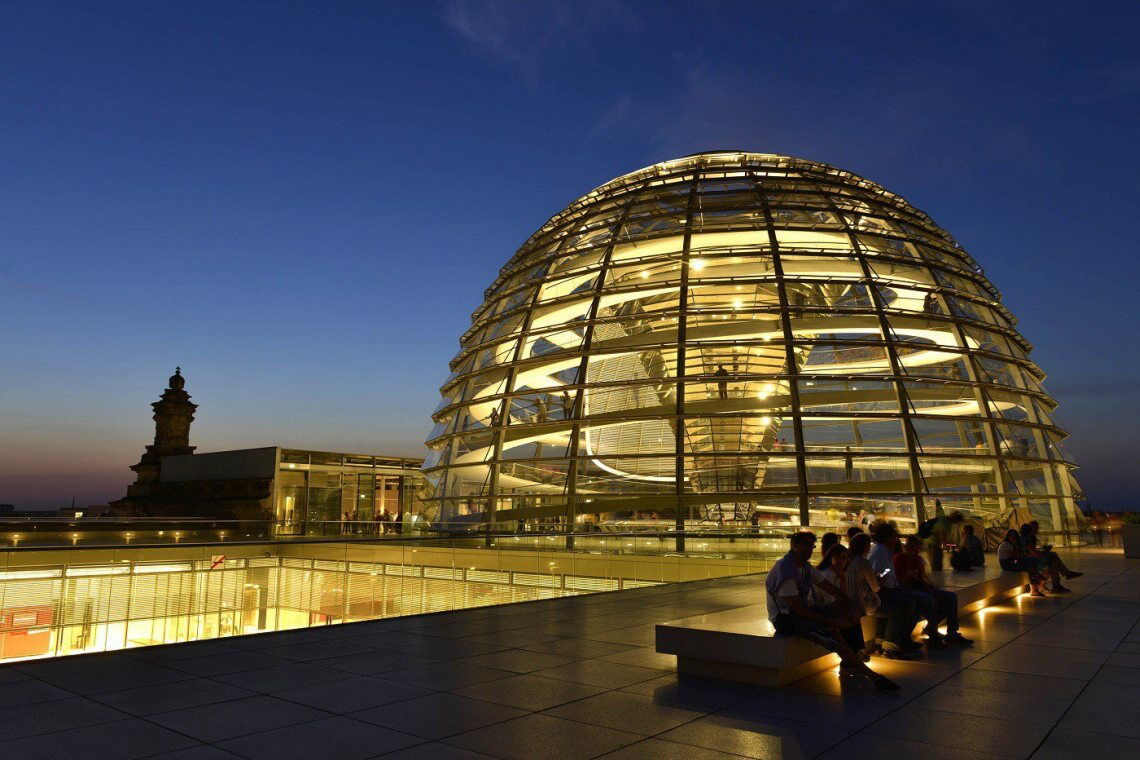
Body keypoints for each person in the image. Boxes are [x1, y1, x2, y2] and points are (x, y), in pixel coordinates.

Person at [765, 532, 899, 691]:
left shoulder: (805, 568)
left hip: (804, 611)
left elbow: (834, 591)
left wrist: (850, 607)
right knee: (833, 633)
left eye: (812, 545)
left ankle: (854, 659)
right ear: (795, 546)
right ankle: (871, 675)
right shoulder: (786, 570)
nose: (810, 549)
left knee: (846, 615)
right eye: (806, 545)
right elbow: (796, 609)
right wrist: (828, 621)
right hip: (786, 619)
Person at [895, 535, 973, 647]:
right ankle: (933, 633)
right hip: (907, 590)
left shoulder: (917, 559)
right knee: (929, 600)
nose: (918, 550)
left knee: (951, 597)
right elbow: (901, 581)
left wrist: (930, 587)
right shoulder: (899, 560)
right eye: (916, 547)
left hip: (919, 588)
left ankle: (952, 632)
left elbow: (922, 578)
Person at [866, 520, 922, 658]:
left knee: (909, 603)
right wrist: (886, 574)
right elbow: (878, 574)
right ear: (888, 538)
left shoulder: (882, 550)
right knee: (909, 604)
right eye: (894, 536)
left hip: (887, 591)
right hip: (882, 594)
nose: (896, 539)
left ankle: (893, 640)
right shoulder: (880, 551)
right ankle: (893, 642)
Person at [998, 529, 1048, 596]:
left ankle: (1037, 581)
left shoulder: (1009, 543)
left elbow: (1017, 556)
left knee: (1032, 562)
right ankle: (1035, 587)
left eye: (1015, 536)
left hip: (1012, 561)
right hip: (1007, 563)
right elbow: (1015, 556)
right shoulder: (1006, 545)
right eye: (1012, 536)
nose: (1014, 538)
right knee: (1030, 567)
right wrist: (1016, 545)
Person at [918, 504, 964, 571]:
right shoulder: (944, 521)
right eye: (957, 521)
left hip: (934, 543)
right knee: (936, 562)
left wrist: (950, 545)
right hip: (932, 543)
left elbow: (946, 536)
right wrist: (949, 546)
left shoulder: (948, 522)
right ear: (955, 519)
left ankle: (937, 574)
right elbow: (942, 534)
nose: (957, 523)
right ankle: (937, 576)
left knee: (937, 560)